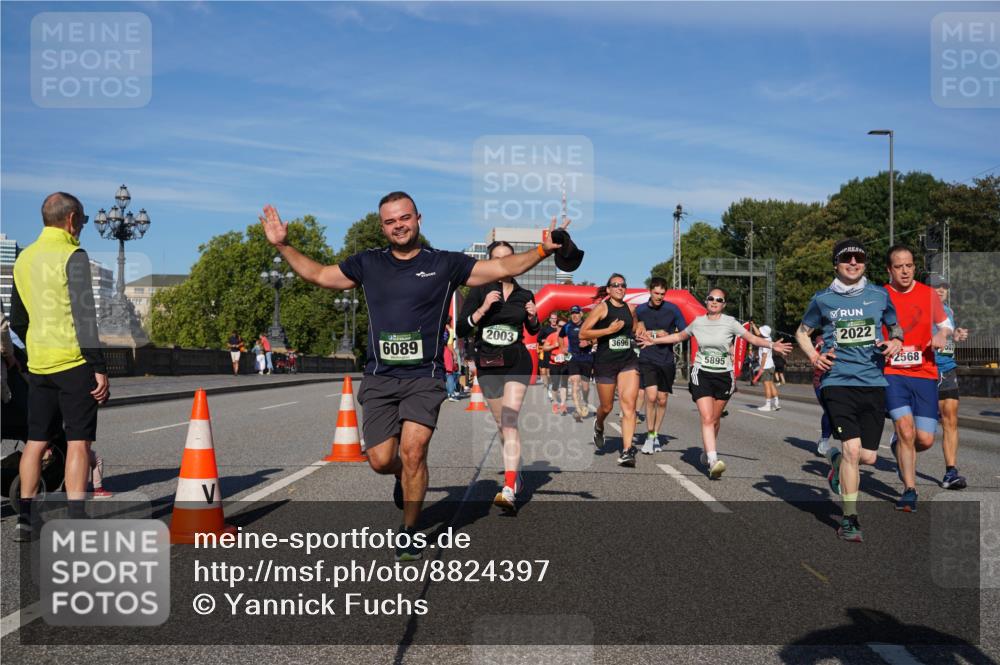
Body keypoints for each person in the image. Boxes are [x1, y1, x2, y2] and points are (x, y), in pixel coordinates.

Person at [260, 193, 570, 560]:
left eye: (404, 218)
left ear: (418, 218)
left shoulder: (445, 264)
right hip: (380, 377)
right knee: (379, 459)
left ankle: (409, 529)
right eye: (390, 222)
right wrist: (283, 246)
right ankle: (399, 477)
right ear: (382, 227)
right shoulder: (367, 263)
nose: (399, 226)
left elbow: (502, 270)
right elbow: (321, 275)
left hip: (425, 376)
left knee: (413, 450)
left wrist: (541, 250)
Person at [10, 192, 110, 541]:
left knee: (36, 441)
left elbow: (18, 320)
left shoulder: (24, 258)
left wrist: (34, 348)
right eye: (81, 220)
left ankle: (25, 519)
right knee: (79, 441)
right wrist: (98, 366)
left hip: (39, 363)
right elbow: (85, 317)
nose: (82, 226)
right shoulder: (73, 255)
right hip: (73, 361)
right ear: (71, 220)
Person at [796, 238, 904, 542]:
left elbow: (895, 326)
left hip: (873, 382)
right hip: (837, 381)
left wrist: (895, 340)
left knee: (868, 457)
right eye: (847, 259)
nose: (853, 263)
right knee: (852, 450)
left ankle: (836, 464)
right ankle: (850, 519)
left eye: (859, 258)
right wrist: (815, 357)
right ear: (836, 264)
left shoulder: (879, 295)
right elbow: (802, 332)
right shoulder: (823, 299)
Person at [644, 287, 789, 479]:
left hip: (724, 375)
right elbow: (679, 336)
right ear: (706, 301)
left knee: (714, 419)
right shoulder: (698, 322)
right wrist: (654, 341)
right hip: (701, 372)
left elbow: (752, 338)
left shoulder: (730, 323)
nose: (714, 302)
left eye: (719, 300)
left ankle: (707, 452)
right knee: (706, 418)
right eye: (711, 298)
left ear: (724, 304)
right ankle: (713, 461)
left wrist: (772, 345)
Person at [457, 241, 540, 511]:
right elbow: (460, 329)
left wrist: (534, 317)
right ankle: (515, 472)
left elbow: (532, 329)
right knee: (501, 423)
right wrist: (481, 310)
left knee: (509, 419)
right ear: (489, 261)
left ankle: (508, 487)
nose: (503, 263)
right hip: (489, 363)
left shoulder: (525, 293)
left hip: (517, 362)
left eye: (507, 258)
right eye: (496, 258)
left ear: (515, 261)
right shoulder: (480, 290)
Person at [883, 245, 953, 512]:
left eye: (909, 265)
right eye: (899, 266)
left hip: (924, 372)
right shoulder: (881, 295)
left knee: (924, 439)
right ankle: (910, 490)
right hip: (893, 373)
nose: (905, 271)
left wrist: (941, 335)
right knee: (906, 429)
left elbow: (946, 324)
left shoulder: (927, 294)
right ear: (889, 270)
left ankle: (898, 445)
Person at [580, 274, 641, 467]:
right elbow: (584, 333)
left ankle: (627, 451)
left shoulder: (631, 309)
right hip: (605, 362)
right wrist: (608, 331)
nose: (619, 288)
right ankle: (599, 425)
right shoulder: (602, 308)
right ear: (608, 290)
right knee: (607, 407)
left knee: (629, 405)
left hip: (627, 360)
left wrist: (641, 329)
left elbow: (636, 326)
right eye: (615, 285)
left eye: (623, 285)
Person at [634, 277, 686, 453]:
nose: (659, 297)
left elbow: (684, 332)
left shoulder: (673, 309)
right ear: (650, 291)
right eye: (656, 293)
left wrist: (668, 334)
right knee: (651, 397)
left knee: (662, 399)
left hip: (666, 358)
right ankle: (649, 436)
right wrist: (652, 332)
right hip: (647, 357)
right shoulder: (640, 310)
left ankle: (656, 434)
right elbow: (634, 333)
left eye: (662, 294)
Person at [929, 275, 969, 489]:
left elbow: (948, 333)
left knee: (950, 419)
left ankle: (950, 472)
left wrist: (957, 334)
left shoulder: (949, 311)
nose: (941, 290)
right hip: (925, 369)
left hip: (947, 368)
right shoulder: (920, 308)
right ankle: (902, 443)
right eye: (936, 286)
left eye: (944, 286)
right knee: (920, 431)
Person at [560, 305, 594, 422]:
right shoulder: (567, 326)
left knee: (585, 386)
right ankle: (578, 409)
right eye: (572, 313)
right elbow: (560, 336)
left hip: (587, 358)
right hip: (573, 358)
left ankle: (585, 401)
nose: (574, 315)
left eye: (576, 313)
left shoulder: (588, 324)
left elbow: (597, 337)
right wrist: (562, 347)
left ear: (581, 314)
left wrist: (588, 342)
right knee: (575, 382)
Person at [812, 335, 834, 457]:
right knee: (830, 410)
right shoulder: (822, 339)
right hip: (821, 380)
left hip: (846, 380)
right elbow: (814, 359)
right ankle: (824, 440)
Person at [542, 318, 569, 415]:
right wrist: (554, 345)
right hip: (554, 364)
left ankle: (563, 404)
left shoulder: (568, 337)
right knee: (555, 385)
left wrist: (568, 356)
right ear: (557, 326)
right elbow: (544, 348)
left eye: (565, 326)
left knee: (564, 384)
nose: (562, 328)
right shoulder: (552, 336)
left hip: (565, 364)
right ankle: (555, 403)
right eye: (561, 326)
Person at [754, 324, 781, 411]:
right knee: (771, 384)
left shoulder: (764, 342)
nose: (759, 332)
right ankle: (776, 404)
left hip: (765, 366)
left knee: (766, 386)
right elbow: (758, 334)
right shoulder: (768, 339)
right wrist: (753, 325)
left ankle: (768, 405)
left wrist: (761, 368)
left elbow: (764, 355)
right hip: (771, 365)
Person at [537, 312, 559, 400]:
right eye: (552, 318)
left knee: (551, 372)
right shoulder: (545, 329)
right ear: (549, 319)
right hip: (546, 352)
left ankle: (551, 387)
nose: (554, 320)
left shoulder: (558, 329)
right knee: (544, 372)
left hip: (555, 352)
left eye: (555, 318)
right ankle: (547, 386)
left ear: (557, 319)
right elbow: (538, 339)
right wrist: (545, 340)